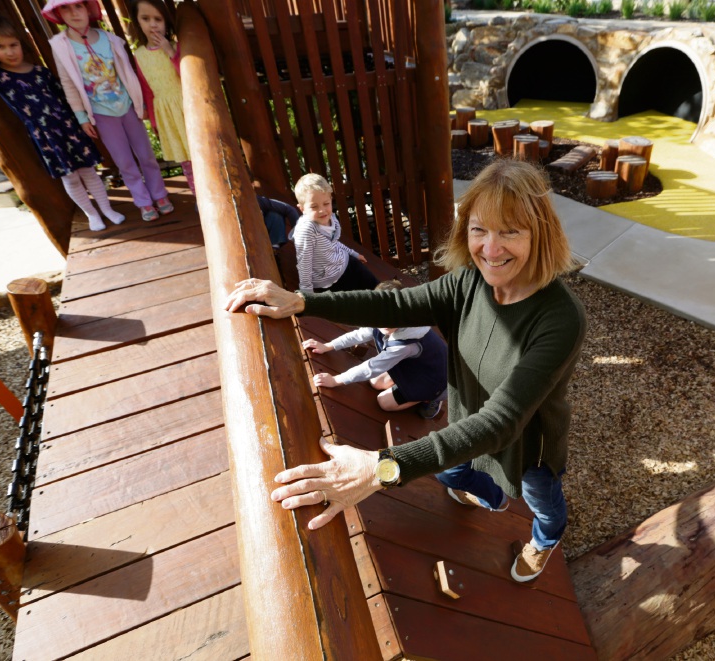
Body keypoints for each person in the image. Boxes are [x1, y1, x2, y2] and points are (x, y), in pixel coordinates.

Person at [225, 159, 586, 583]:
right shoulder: (471, 282)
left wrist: (381, 469)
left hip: (530, 446)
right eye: (479, 229)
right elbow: (395, 305)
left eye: (509, 231)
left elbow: (504, 422)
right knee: (453, 471)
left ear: (539, 234)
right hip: (469, 420)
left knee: (542, 501)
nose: (490, 249)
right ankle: (489, 496)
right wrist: (301, 300)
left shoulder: (561, 319)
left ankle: (544, 542)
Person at [0, 9, 124, 232]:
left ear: (19, 42)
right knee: (71, 178)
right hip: (46, 137)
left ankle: (107, 209)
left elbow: (64, 98)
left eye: (12, 45)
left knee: (89, 171)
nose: (9, 52)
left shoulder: (40, 72)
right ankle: (92, 214)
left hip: (68, 128)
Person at [42, 0, 173, 222]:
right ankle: (143, 201)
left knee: (146, 155)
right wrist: (82, 118)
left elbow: (127, 73)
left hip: (128, 107)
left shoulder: (108, 38)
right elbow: (68, 84)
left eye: (78, 6)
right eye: (66, 8)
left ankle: (159, 195)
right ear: (57, 13)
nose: (74, 13)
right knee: (124, 162)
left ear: (87, 9)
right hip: (102, 115)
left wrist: (139, 103)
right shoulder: (61, 46)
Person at [302, 280, 449, 419]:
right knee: (375, 382)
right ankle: (407, 384)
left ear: (405, 315)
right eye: (381, 318)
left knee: (384, 402)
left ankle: (432, 397)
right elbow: (360, 334)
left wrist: (335, 380)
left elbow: (372, 366)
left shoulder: (407, 343)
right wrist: (328, 346)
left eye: (393, 320)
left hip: (432, 378)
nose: (384, 324)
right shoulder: (383, 319)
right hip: (413, 365)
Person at [127, 0, 194, 194]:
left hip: (186, 107)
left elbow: (186, 74)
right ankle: (198, 195)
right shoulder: (139, 55)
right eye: (146, 19)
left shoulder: (177, 46)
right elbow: (147, 91)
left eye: (158, 19)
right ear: (138, 22)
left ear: (167, 22)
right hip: (167, 114)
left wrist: (170, 52)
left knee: (201, 152)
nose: (153, 24)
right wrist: (155, 123)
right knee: (186, 160)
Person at [292, 173, 379, 292]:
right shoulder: (306, 230)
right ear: (302, 209)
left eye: (326, 203)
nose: (322, 210)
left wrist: (353, 254)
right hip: (327, 281)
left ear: (330, 200)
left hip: (345, 263)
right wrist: (307, 292)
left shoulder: (330, 218)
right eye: (314, 207)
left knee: (378, 289)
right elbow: (304, 262)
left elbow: (334, 243)